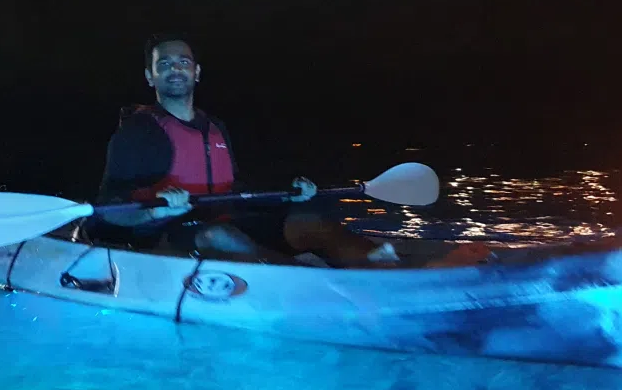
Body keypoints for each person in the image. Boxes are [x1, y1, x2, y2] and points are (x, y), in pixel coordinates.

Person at [87, 34, 399, 266]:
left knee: (310, 220)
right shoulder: (138, 132)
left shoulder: (215, 128)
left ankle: (384, 272)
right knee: (220, 237)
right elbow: (108, 207)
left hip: (224, 223)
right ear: (149, 76)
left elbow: (235, 189)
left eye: (184, 62)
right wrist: (156, 211)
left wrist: (287, 194)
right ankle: (306, 286)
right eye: (164, 64)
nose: (175, 69)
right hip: (167, 234)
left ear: (196, 72)